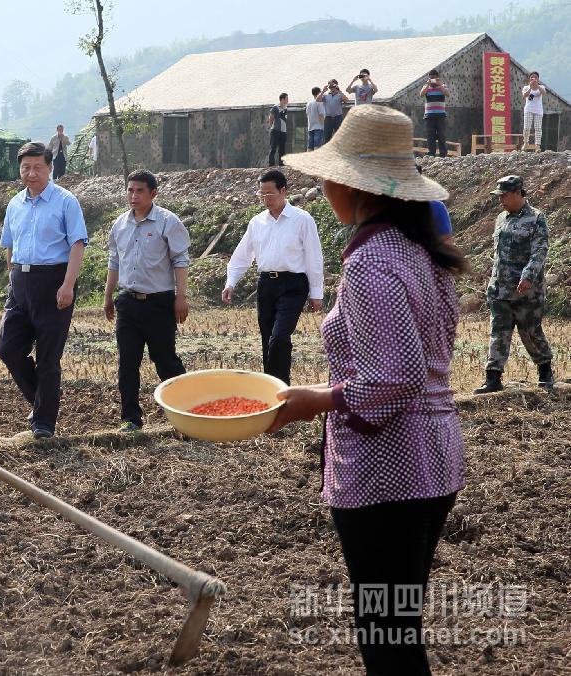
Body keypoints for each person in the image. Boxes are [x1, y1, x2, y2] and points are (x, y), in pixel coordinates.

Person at [279, 104, 469, 675]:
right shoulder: (422, 255)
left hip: (392, 469)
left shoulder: (373, 260)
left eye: (330, 174)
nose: (324, 184)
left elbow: (396, 374)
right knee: (398, 627)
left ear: (353, 185)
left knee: (386, 637)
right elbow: (418, 363)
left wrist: (318, 400)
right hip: (434, 459)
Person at [0, 142, 88, 438]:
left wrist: (67, 284)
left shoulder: (65, 201)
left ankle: (44, 424)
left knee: (48, 357)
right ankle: (42, 401)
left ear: (50, 168)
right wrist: (11, 275)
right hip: (21, 283)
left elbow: (77, 244)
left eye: (38, 167)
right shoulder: (14, 204)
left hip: (54, 283)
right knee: (9, 349)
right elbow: (9, 245)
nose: (31, 173)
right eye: (26, 167)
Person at [103, 170, 190, 432]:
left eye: (139, 190)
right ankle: (130, 418)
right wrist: (108, 296)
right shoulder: (120, 224)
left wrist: (181, 297)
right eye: (130, 190)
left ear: (153, 193)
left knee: (165, 360)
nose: (133, 195)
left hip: (159, 303)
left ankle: (186, 415)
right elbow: (114, 262)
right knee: (127, 362)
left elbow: (181, 260)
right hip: (128, 303)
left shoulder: (167, 222)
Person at [222, 169, 324, 384]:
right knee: (267, 338)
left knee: (279, 337)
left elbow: (314, 257)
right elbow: (242, 255)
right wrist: (230, 283)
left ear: (283, 191)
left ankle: (281, 387)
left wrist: (317, 292)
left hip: (294, 285)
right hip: (266, 284)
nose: (265, 199)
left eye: (270, 194)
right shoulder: (257, 222)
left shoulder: (302, 219)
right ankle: (271, 389)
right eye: (262, 194)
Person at [474, 175, 555, 394]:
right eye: (499, 196)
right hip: (500, 288)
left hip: (527, 291)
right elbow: (497, 255)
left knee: (530, 332)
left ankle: (545, 372)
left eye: (505, 195)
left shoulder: (537, 218)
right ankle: (493, 378)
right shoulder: (501, 218)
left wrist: (528, 276)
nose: (501, 200)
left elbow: (539, 251)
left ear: (519, 193)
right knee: (498, 332)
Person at [420, 69, 450, 157]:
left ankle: (443, 154)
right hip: (429, 115)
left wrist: (439, 84)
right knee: (430, 136)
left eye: (434, 78)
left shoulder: (443, 86)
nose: (433, 80)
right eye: (431, 78)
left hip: (440, 115)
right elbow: (421, 94)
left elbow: (447, 94)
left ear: (438, 78)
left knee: (441, 135)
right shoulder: (426, 87)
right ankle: (431, 154)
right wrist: (428, 84)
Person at [522, 72, 546, 150]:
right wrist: (531, 87)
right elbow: (525, 96)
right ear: (529, 79)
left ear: (538, 79)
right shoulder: (526, 87)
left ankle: (537, 146)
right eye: (532, 77)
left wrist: (537, 86)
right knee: (526, 128)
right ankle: (526, 143)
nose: (534, 79)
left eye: (535, 77)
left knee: (538, 128)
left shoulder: (541, 87)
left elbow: (544, 93)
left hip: (538, 110)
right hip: (528, 109)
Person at [268, 93, 289, 166]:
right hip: (275, 131)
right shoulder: (276, 107)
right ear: (282, 99)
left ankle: (281, 164)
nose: (287, 100)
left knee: (282, 148)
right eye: (286, 99)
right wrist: (272, 127)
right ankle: (271, 164)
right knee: (273, 147)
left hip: (283, 131)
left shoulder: (285, 108)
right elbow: (271, 118)